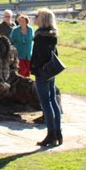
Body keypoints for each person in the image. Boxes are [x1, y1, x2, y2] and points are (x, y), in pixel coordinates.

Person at [29, 8, 62, 147]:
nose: (34, 18)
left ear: (42, 19)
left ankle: (51, 134)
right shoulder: (51, 34)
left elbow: (42, 55)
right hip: (50, 71)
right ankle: (57, 132)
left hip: (42, 72)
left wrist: (34, 65)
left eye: (36, 16)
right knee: (53, 101)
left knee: (46, 103)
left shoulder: (40, 36)